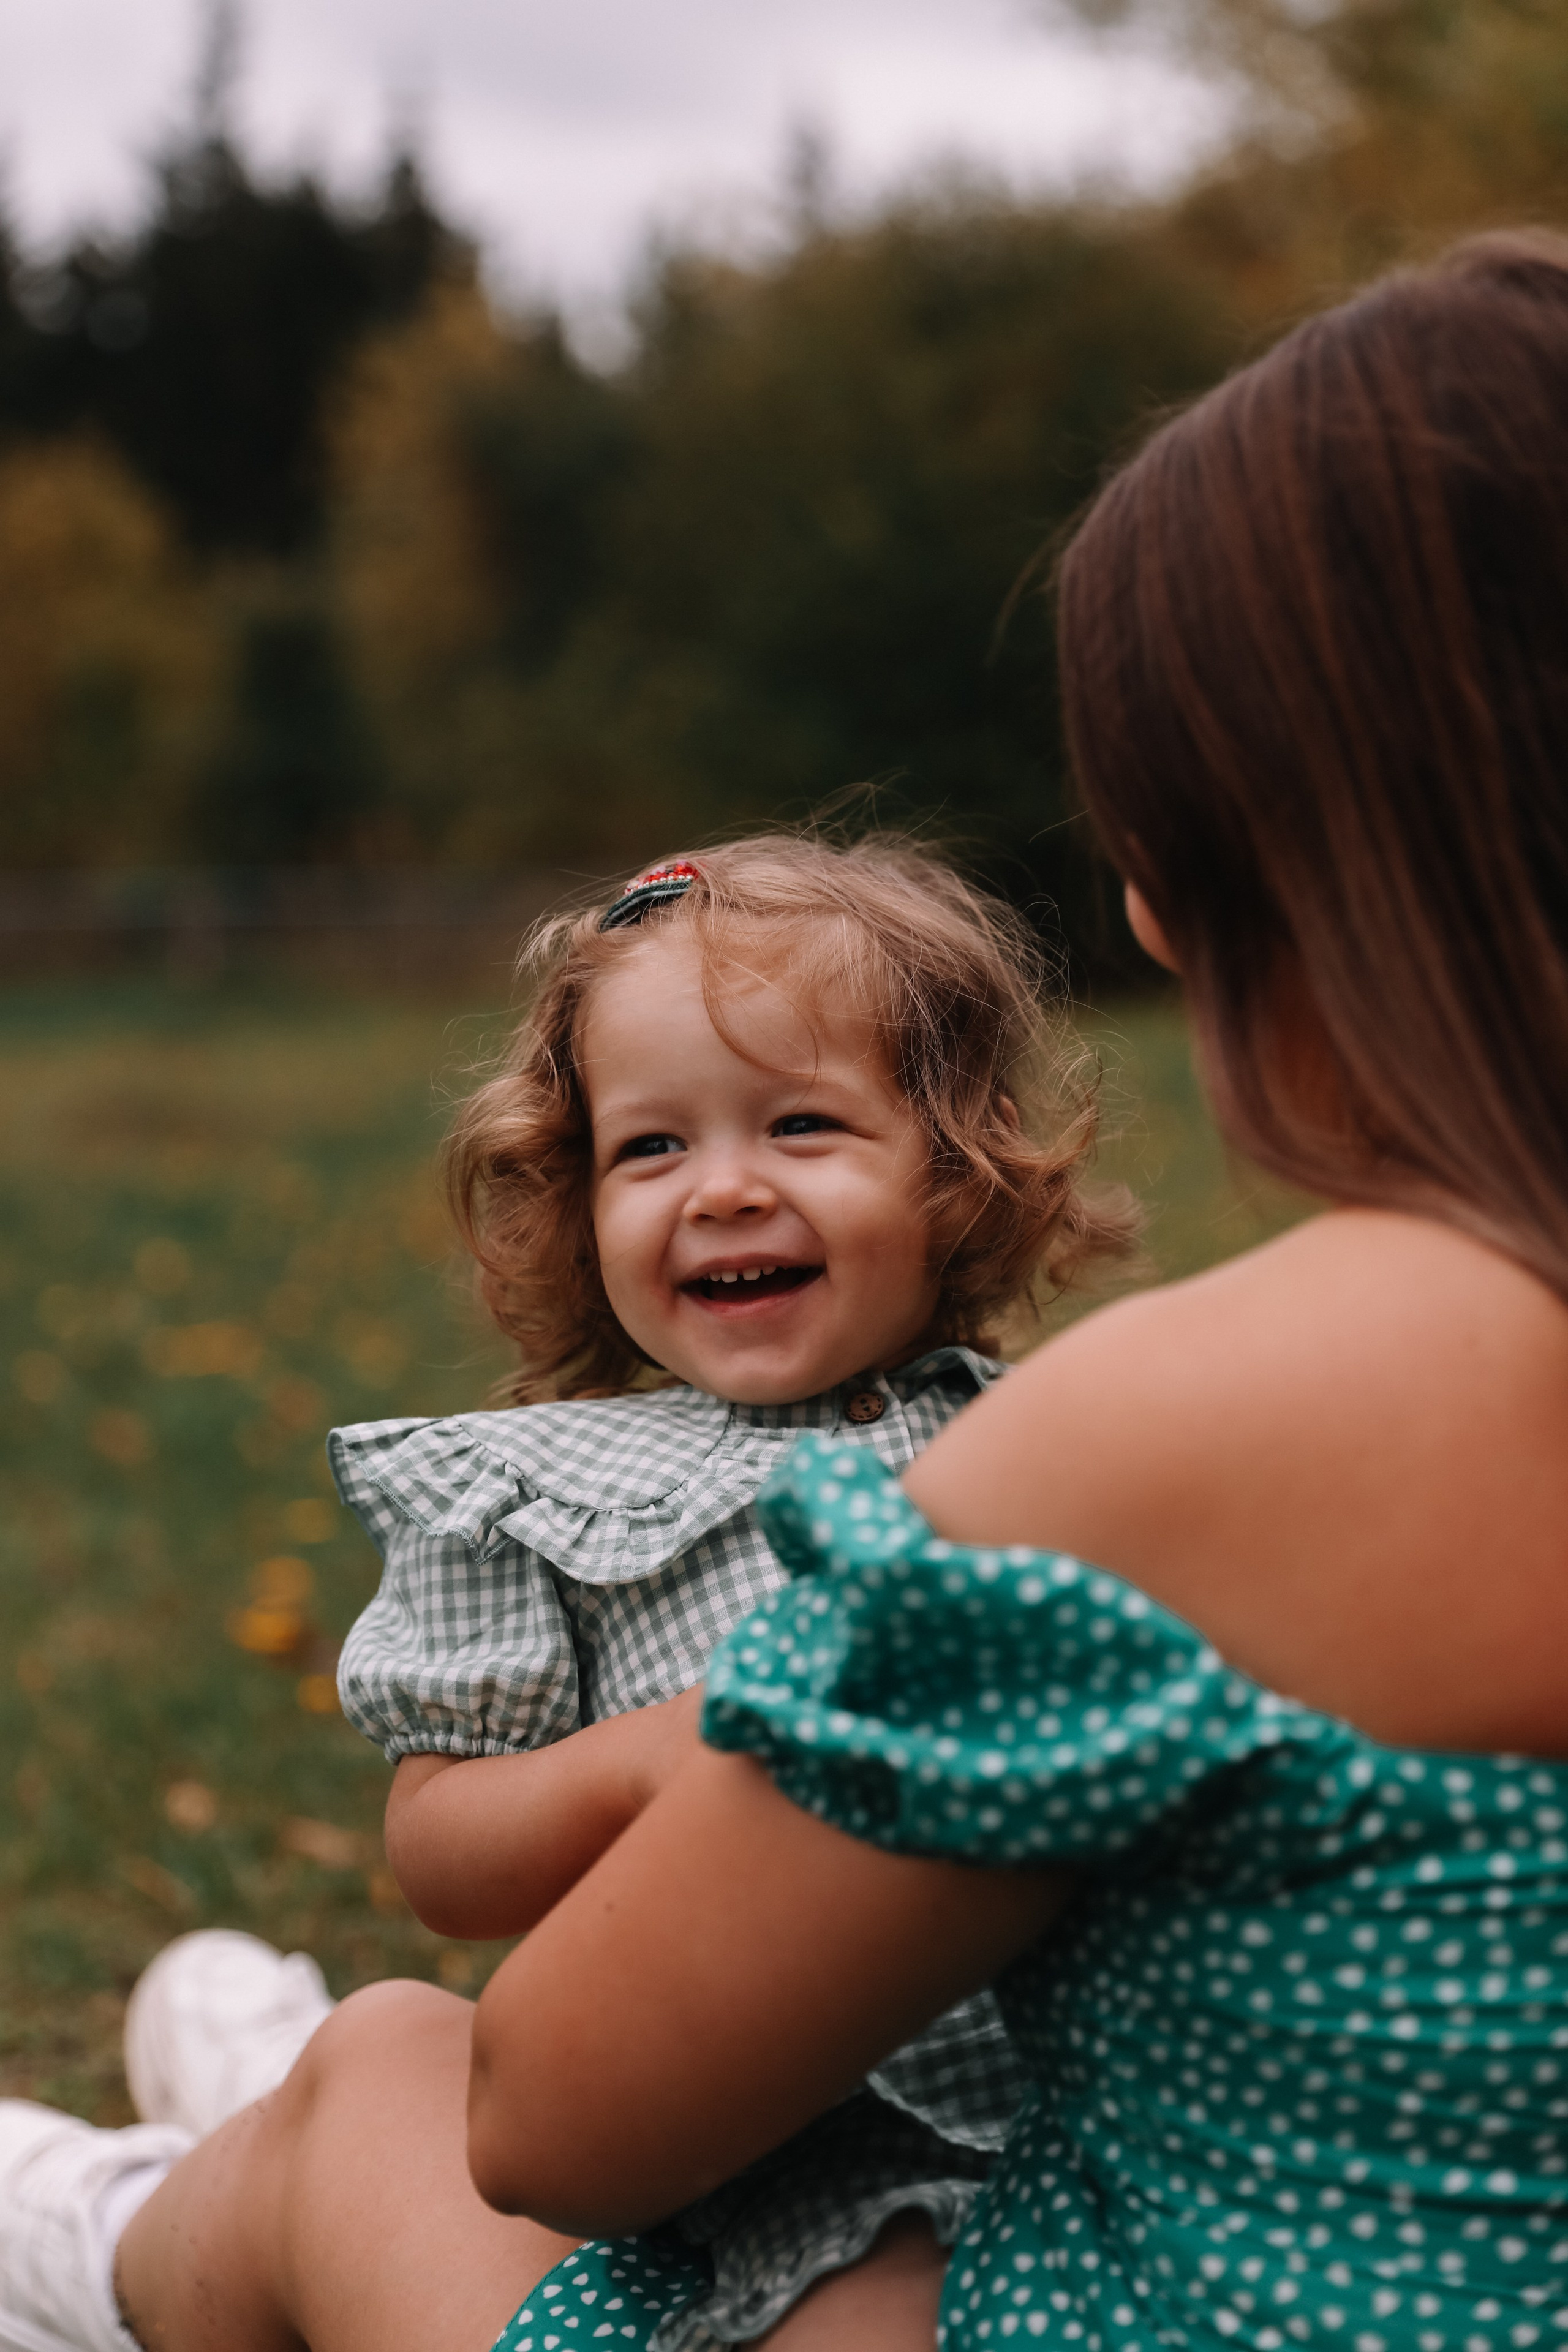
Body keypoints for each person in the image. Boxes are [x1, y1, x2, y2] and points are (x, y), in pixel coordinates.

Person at [9, 223, 1568, 2352]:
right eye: (655, 1143)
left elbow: (557, 2118)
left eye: (1170, 843)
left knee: (401, 2071)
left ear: (1268, 884)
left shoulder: (1186, 1438)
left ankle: (126, 2237)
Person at [0, 833, 1130, 2352]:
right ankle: (140, 2236)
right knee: (395, 2039)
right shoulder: (540, 1491)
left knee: (390, 2065)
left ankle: (298, 2117)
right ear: (574, 1192)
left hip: (1031, 2139)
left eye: (800, 1126)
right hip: (727, 2157)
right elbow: (443, 1854)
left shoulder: (1054, 1447)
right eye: (650, 1149)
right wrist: (669, 1755)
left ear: (948, 1166)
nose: (722, 1191)